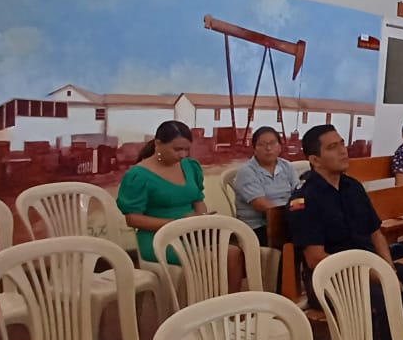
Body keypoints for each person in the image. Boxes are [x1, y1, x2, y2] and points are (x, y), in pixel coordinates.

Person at [287, 124, 398, 340]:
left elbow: (376, 232)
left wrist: (388, 269)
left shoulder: (353, 187)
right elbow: (316, 258)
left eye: (342, 144)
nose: (343, 151)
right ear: (315, 160)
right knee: (378, 298)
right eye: (332, 147)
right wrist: (374, 274)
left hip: (367, 267)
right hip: (329, 279)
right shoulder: (304, 198)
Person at [118, 120, 246, 292]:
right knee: (210, 259)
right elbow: (133, 219)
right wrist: (176, 223)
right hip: (159, 237)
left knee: (233, 252)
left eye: (186, 149)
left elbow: (198, 200)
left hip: (191, 233)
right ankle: (199, 302)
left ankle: (230, 303)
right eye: (177, 149)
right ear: (158, 144)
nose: (182, 155)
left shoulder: (190, 166)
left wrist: (201, 219)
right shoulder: (138, 175)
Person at [233, 126, 302, 245]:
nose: (268, 148)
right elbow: (261, 205)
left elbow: (298, 194)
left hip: (287, 220)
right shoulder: (247, 171)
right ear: (254, 149)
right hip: (256, 227)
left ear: (280, 147)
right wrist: (290, 216)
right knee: (301, 239)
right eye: (262, 144)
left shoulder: (287, 166)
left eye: (272, 143)